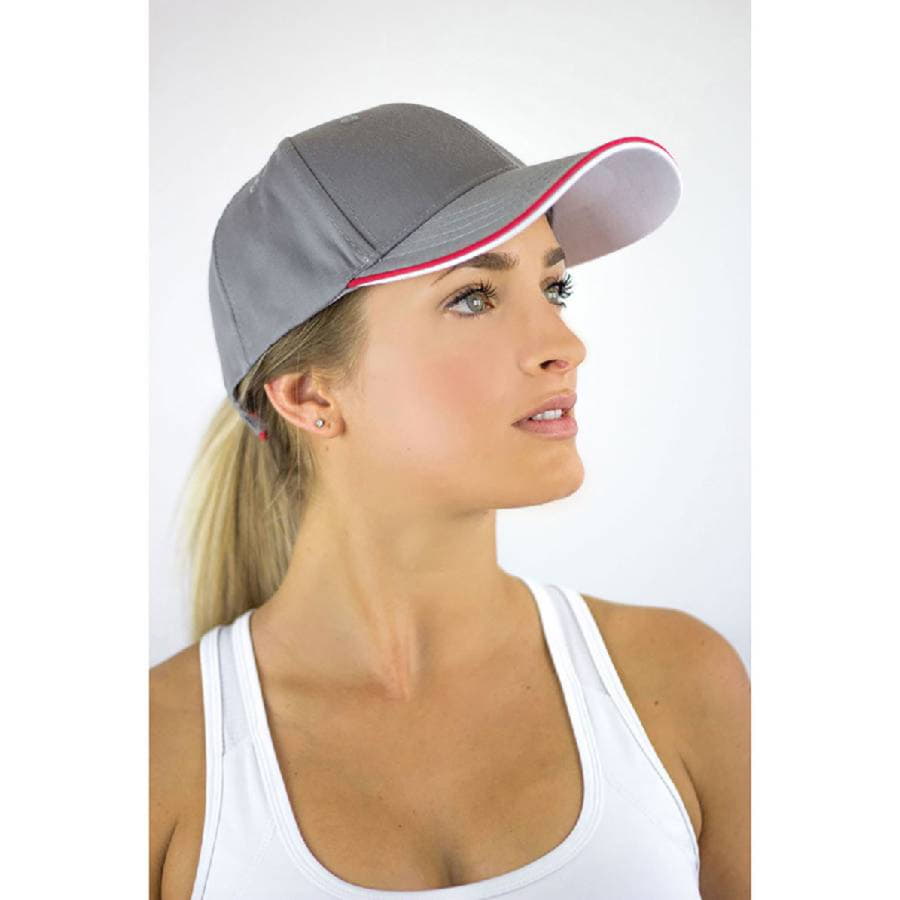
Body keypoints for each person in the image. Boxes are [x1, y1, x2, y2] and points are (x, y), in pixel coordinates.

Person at [150, 102, 750, 899]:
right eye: (473, 297)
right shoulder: (156, 756)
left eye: (555, 286)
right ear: (309, 395)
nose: (565, 345)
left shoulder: (680, 684)